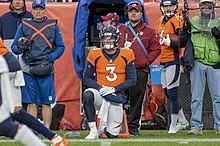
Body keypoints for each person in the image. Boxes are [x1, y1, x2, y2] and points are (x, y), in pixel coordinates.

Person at [0, 37, 68, 145]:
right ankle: (55, 138)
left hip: (4, 67)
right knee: (16, 112)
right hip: (10, 64)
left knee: (6, 124)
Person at [11, 0, 65, 129]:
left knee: (46, 101)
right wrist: (21, 47)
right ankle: (32, 129)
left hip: (46, 68)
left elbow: (61, 47)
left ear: (45, 11)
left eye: (41, 9)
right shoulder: (24, 25)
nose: (38, 12)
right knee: (31, 101)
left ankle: (46, 130)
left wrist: (50, 57)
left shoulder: (53, 25)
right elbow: (14, 48)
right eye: (36, 9)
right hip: (28, 68)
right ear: (32, 11)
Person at [82, 25, 136, 139]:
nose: (108, 41)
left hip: (116, 95)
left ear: (116, 39)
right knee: (88, 94)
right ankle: (93, 130)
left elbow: (132, 80)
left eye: (111, 38)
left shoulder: (127, 54)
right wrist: (99, 88)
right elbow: (86, 78)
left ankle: (104, 128)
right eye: (106, 38)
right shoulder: (94, 53)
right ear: (101, 39)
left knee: (112, 135)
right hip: (100, 95)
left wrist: (113, 89)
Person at [118, 1, 161, 136]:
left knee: (136, 100)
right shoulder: (120, 29)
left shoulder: (149, 31)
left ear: (141, 13)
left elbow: (156, 49)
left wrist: (146, 61)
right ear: (127, 13)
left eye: (136, 11)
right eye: (131, 11)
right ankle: (117, 126)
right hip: (121, 70)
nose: (134, 13)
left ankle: (133, 128)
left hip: (139, 71)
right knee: (118, 98)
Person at [180, 0, 220, 135]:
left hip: (216, 63)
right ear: (199, 7)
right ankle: (196, 127)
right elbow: (182, 41)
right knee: (196, 97)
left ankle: (219, 126)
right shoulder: (192, 21)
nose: (206, 7)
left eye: (209, 4)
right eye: (204, 4)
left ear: (213, 6)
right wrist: (184, 30)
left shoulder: (219, 21)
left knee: (218, 97)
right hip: (197, 62)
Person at [0, 55, 47, 146]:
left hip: (7, 68)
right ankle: (53, 137)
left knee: (10, 119)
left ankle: (51, 137)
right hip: (8, 66)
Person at [157, 0, 189, 133]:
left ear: (175, 6)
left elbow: (184, 40)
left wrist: (172, 42)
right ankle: (182, 121)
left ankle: (173, 125)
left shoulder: (178, 19)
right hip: (163, 60)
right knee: (167, 93)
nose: (168, 8)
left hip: (173, 60)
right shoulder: (160, 20)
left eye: (170, 5)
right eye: (166, 5)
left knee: (173, 93)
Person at [0, 0, 33, 110]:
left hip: (29, 60)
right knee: (10, 92)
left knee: (28, 93)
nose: (18, 2)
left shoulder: (31, 17)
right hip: (10, 61)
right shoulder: (3, 18)